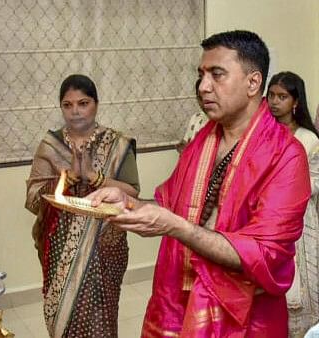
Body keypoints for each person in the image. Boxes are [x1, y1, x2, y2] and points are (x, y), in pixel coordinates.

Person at [89, 30, 310, 336]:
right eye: (201, 75)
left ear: (253, 82)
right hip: (178, 302)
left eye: (217, 74)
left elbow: (264, 253)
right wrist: (130, 203)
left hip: (245, 318)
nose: (203, 87)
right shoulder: (204, 141)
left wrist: (176, 227)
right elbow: (171, 208)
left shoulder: (286, 154)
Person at [25, 74, 140, 337]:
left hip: (105, 244)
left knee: (101, 318)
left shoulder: (118, 144)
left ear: (96, 105)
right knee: (61, 318)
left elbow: (132, 191)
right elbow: (33, 196)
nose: (75, 111)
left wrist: (94, 176)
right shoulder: (50, 144)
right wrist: (66, 179)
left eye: (83, 103)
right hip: (58, 246)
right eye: (68, 105)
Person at [268, 71, 319, 335]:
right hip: (265, 219)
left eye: (283, 96)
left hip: (299, 220)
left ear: (296, 101)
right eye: (272, 96)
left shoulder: (308, 139)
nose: (275, 102)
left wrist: (282, 186)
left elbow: (315, 182)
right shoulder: (260, 134)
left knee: (300, 286)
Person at [176, 78, 208, 153]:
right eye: (200, 98)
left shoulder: (222, 123)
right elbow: (186, 141)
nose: (204, 103)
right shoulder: (196, 118)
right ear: (197, 99)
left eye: (207, 97)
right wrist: (183, 147)